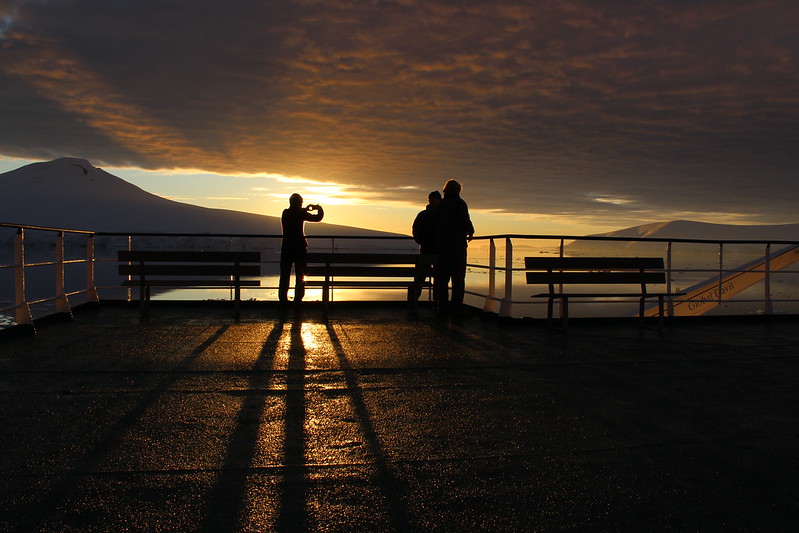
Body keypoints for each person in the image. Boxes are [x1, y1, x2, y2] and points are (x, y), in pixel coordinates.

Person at [434, 179, 474, 316]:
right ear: (458, 190)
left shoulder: (440, 205)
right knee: (458, 279)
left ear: (445, 190)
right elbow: (465, 220)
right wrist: (471, 231)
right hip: (457, 247)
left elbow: (435, 223)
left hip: (441, 247)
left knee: (442, 280)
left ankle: (442, 308)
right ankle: (457, 308)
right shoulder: (460, 204)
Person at [279, 193, 324, 304]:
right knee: (300, 275)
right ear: (299, 203)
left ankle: (283, 299)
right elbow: (317, 218)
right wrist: (318, 208)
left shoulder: (285, 213)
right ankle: (298, 299)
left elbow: (295, 212)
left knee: (284, 274)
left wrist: (304, 209)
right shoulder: (301, 213)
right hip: (299, 247)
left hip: (286, 247)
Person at [412, 190, 441, 300]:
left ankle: (415, 300)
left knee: (420, 277)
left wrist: (422, 241)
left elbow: (415, 231)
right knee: (438, 277)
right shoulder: (442, 216)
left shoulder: (422, 215)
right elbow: (416, 231)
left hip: (427, 250)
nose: (433, 201)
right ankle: (437, 301)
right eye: (432, 199)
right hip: (437, 251)